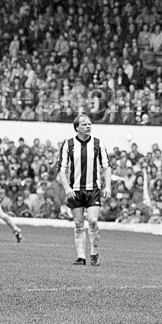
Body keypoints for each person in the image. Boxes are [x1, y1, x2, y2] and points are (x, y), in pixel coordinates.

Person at [57, 114, 111, 266]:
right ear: (77, 127)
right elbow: (61, 169)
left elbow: (106, 166)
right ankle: (81, 257)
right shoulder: (68, 144)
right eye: (85, 124)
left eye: (89, 124)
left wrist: (107, 185)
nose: (88, 126)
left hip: (92, 188)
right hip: (75, 189)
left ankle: (94, 251)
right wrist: (67, 187)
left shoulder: (98, 144)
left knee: (93, 221)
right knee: (78, 223)